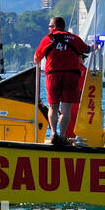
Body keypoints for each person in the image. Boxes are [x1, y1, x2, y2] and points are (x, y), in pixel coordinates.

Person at [33, 16, 91, 147]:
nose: (48, 29)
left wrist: (39, 60)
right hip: (71, 76)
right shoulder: (74, 38)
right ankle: (63, 136)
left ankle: (53, 134)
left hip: (53, 76)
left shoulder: (48, 39)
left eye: (49, 26)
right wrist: (96, 45)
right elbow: (87, 49)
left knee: (53, 107)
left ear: (54, 27)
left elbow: (37, 58)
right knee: (66, 109)